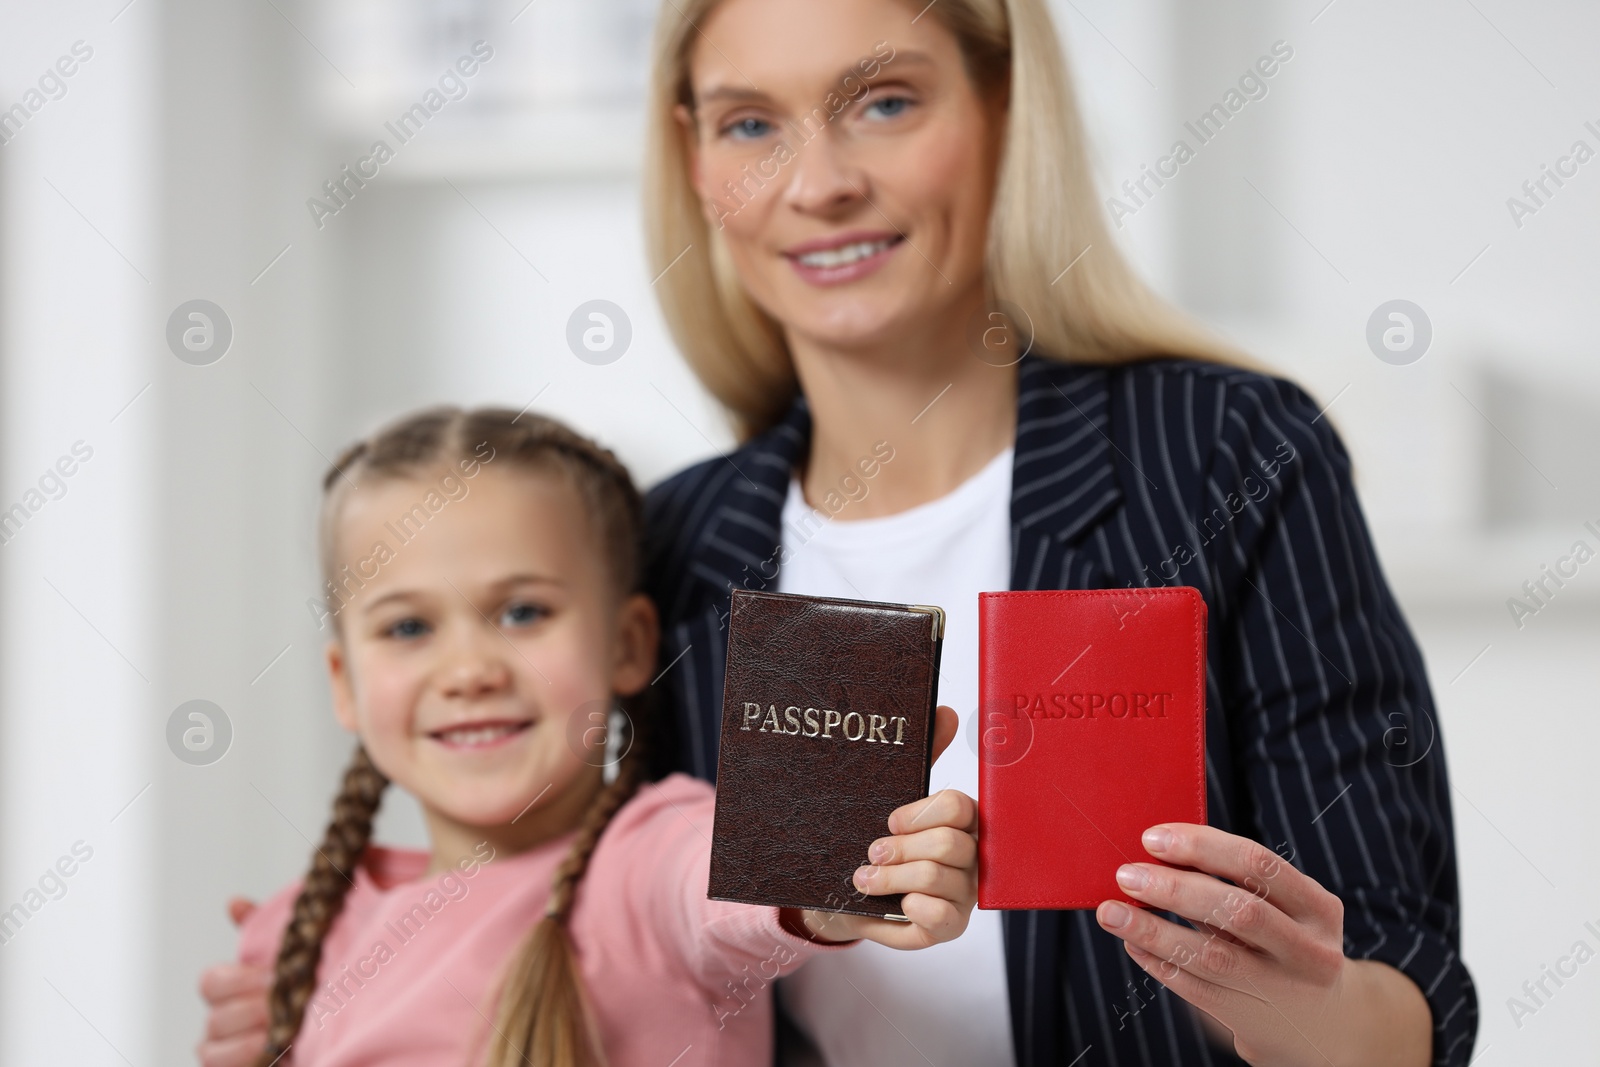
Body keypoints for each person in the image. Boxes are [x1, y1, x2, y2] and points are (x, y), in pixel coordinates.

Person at [204, 0, 1478, 1063]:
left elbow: (1404, 989)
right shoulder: (681, 540)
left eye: (883, 102)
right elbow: (589, 900)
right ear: (693, 158)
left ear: (1001, 113)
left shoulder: (1221, 456)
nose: (818, 184)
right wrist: (365, 976)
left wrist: (1297, 1007)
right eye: (752, 124)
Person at [203, 407, 979, 1067]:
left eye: (523, 612)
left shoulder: (645, 860)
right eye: (408, 626)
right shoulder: (299, 926)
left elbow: (724, 884)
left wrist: (840, 882)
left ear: (628, 644)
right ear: (344, 681)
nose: (469, 668)